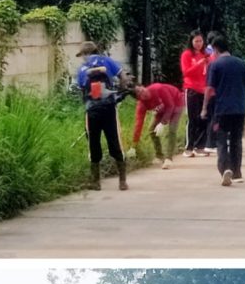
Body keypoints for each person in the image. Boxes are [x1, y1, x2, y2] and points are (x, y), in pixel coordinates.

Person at [75, 41, 130, 192]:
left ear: (85, 54)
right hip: (109, 109)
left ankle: (95, 182)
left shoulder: (82, 69)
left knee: (93, 144)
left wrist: (87, 104)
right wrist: (121, 91)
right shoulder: (107, 61)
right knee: (115, 141)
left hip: (92, 112)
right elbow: (123, 77)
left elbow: (81, 90)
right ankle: (122, 181)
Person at [202, 35, 245, 187]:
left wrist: (204, 108)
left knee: (221, 139)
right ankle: (237, 173)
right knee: (236, 140)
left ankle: (225, 169)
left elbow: (209, 89)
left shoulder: (215, 65)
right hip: (239, 108)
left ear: (215, 49)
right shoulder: (241, 63)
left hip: (222, 110)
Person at [131, 82, 185, 169]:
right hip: (161, 109)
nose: (143, 93)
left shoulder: (158, 88)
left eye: (141, 90)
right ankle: (159, 155)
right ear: (139, 99)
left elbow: (170, 105)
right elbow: (138, 124)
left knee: (172, 130)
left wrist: (163, 123)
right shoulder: (142, 105)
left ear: (143, 86)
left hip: (176, 102)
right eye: (140, 94)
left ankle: (168, 158)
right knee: (151, 129)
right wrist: (134, 144)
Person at [180, 30, 210, 156]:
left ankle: (200, 146)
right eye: (196, 41)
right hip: (191, 89)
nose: (198, 43)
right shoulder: (187, 55)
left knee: (204, 118)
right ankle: (188, 147)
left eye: (201, 41)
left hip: (204, 89)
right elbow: (186, 72)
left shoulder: (206, 55)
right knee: (193, 118)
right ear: (191, 41)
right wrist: (199, 64)